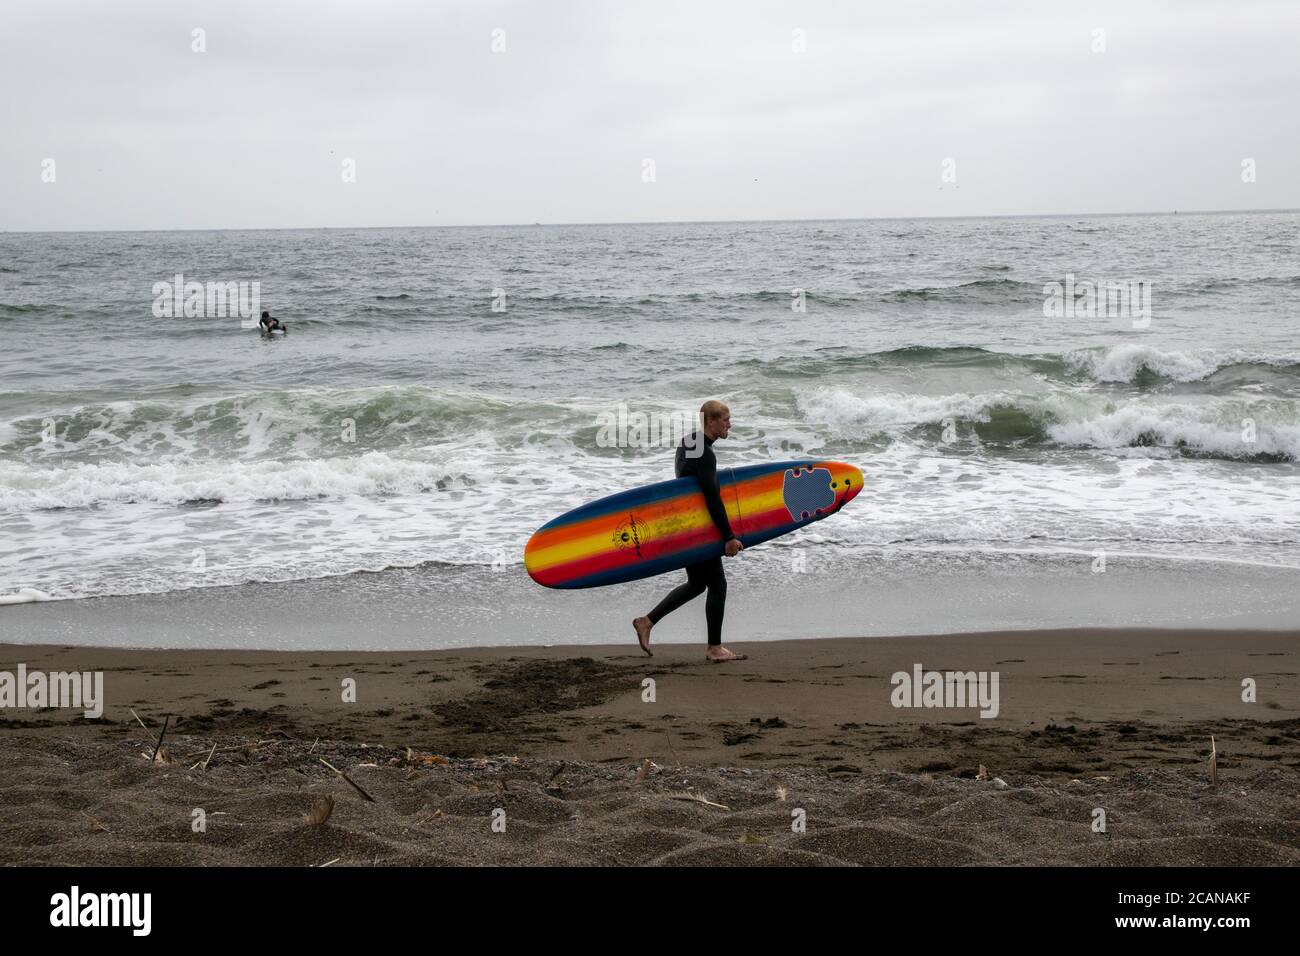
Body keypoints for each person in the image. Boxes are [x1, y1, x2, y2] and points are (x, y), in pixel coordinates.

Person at [633, 400, 747, 663]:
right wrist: (728, 537)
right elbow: (711, 497)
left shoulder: (689, 442)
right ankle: (715, 648)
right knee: (717, 584)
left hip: (685, 526)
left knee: (697, 584)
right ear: (711, 422)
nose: (730, 424)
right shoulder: (705, 453)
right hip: (699, 529)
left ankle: (646, 622)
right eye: (726, 419)